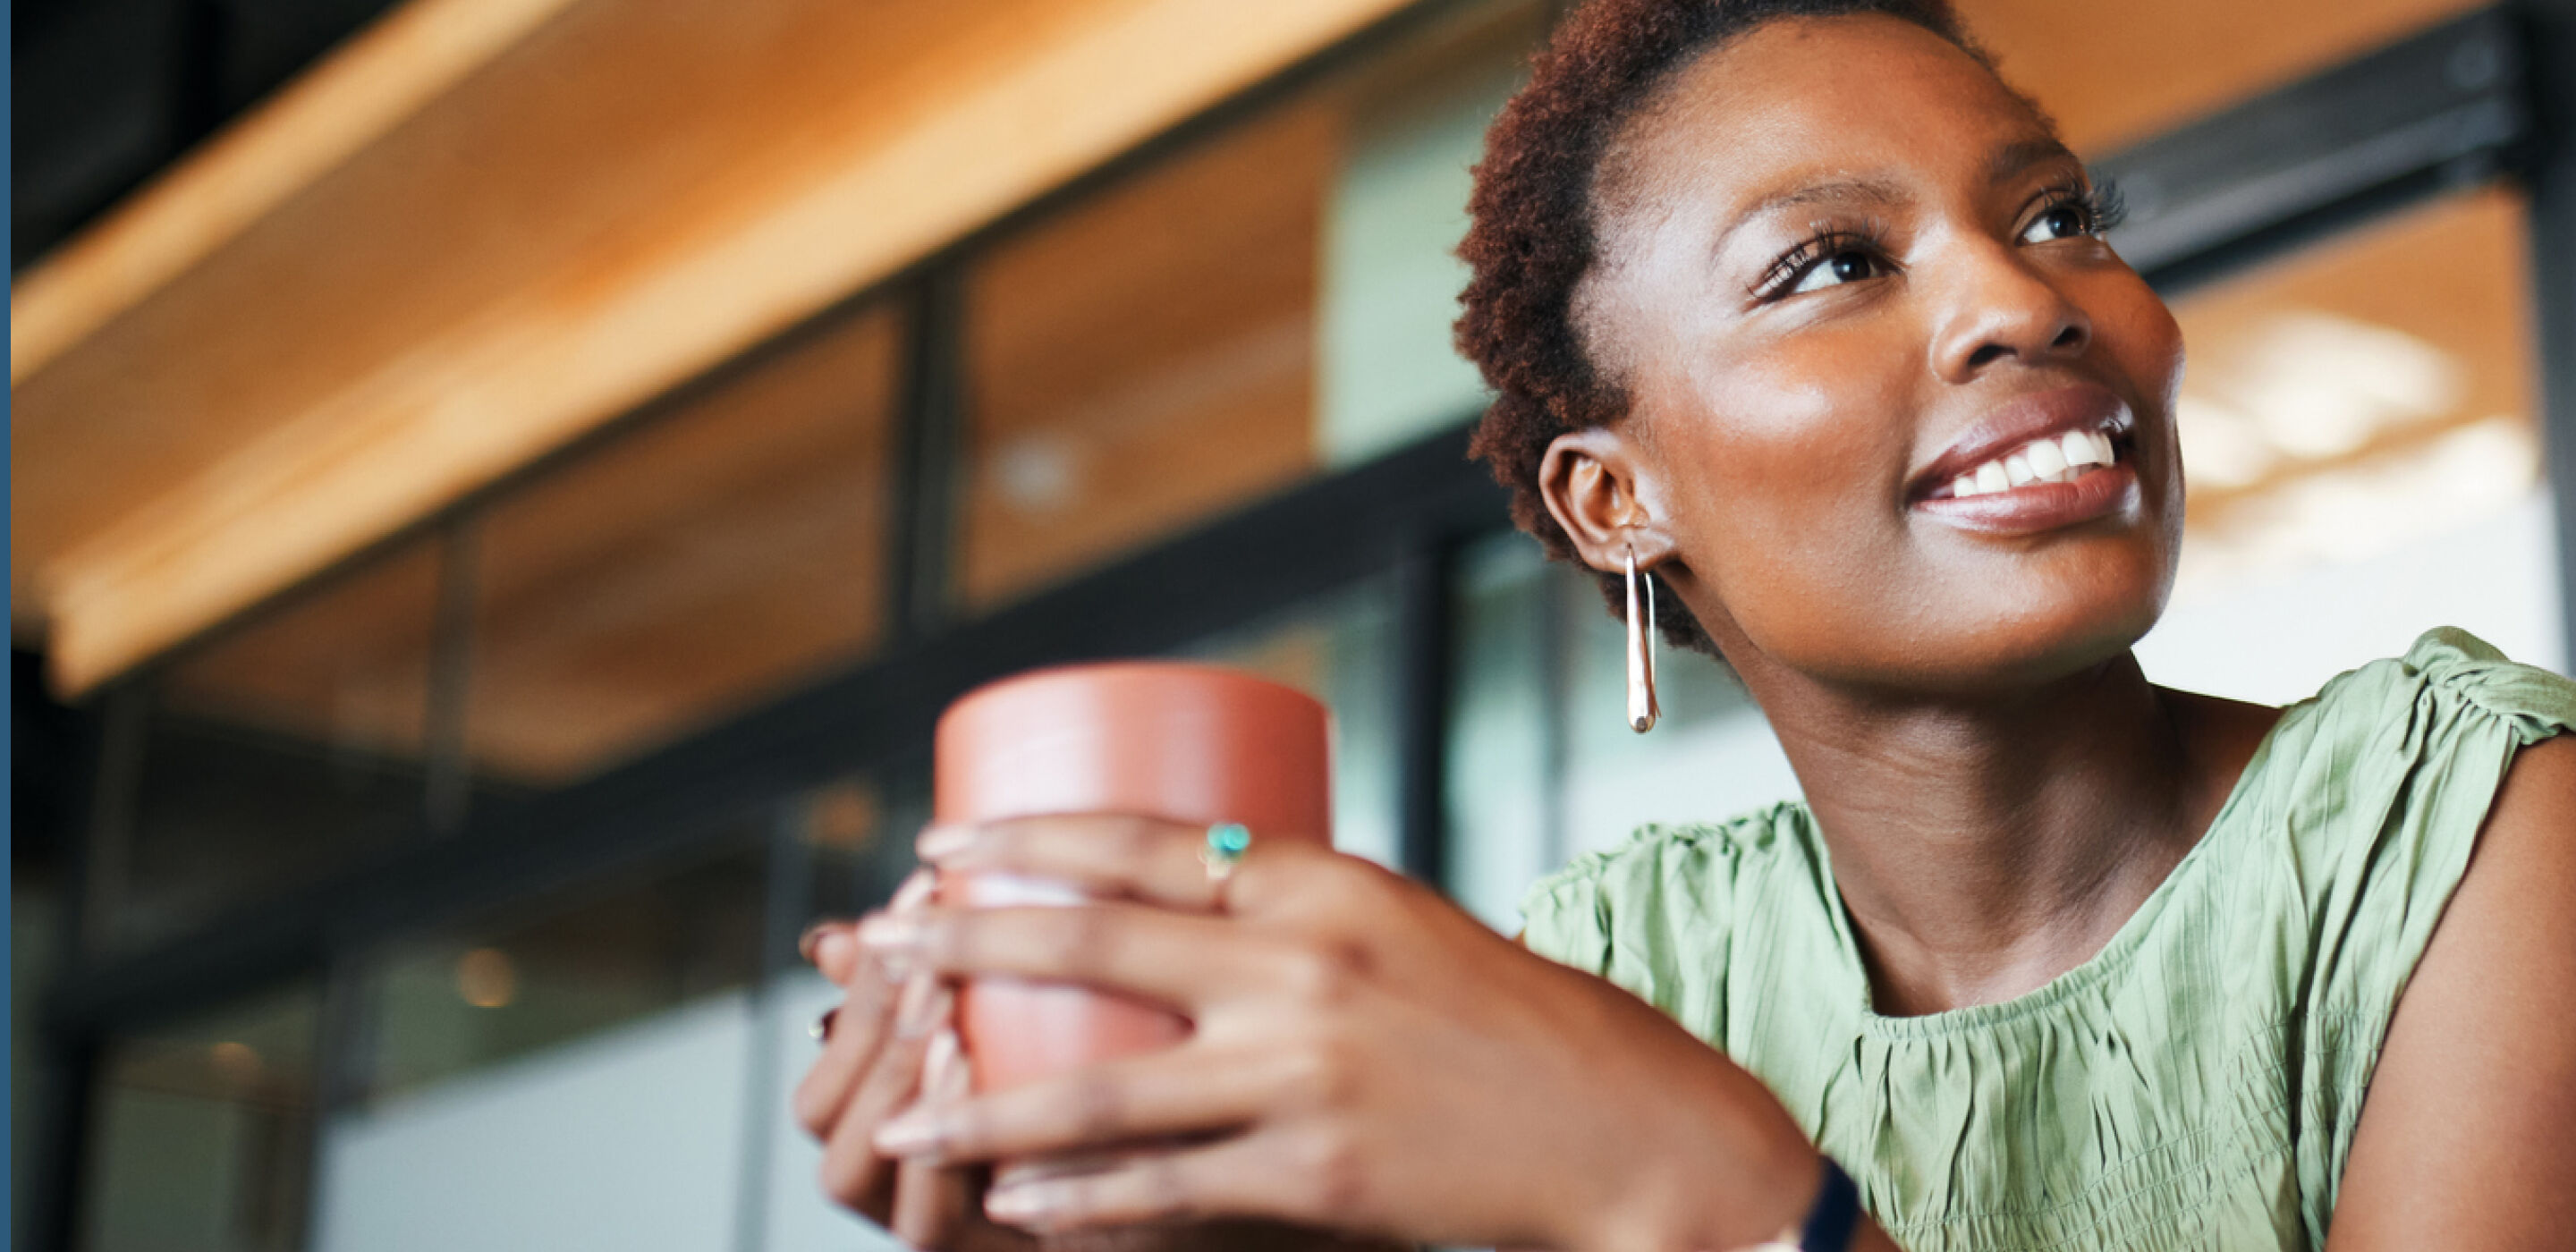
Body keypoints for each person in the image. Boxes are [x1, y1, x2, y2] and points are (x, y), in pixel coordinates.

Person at [791, 1, 2576, 1248]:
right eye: (1833, 264)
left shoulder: (2483, 837)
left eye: (2056, 215)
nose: (2026, 298)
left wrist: (1720, 1201)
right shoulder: (1609, 972)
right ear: (1612, 500)